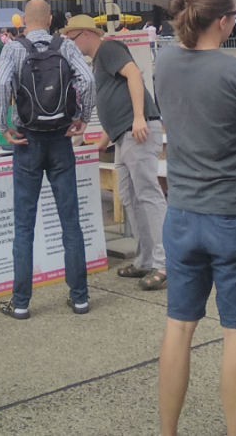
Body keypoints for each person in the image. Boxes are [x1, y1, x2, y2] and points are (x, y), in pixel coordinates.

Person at [155, 0, 236, 436]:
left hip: (183, 212)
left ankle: (167, 430)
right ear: (224, 21)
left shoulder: (164, 63)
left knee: (179, 327)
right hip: (233, 212)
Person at [0, 0, 95, 320]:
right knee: (70, 221)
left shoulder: (13, 48)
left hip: (26, 141)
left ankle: (21, 303)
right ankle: (79, 298)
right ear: (51, 20)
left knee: (24, 225)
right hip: (61, 140)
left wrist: (3, 126)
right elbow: (88, 79)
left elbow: (0, 89)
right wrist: (82, 116)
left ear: (23, 20)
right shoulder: (64, 45)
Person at [62, 14, 167, 290]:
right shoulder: (101, 59)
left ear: (85, 34)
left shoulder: (108, 48)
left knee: (147, 195)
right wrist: (103, 141)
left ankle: (164, 261)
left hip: (136, 132)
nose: (71, 45)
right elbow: (117, 98)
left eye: (71, 39)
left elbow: (134, 74)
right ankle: (146, 258)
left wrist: (139, 116)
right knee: (132, 197)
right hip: (124, 135)